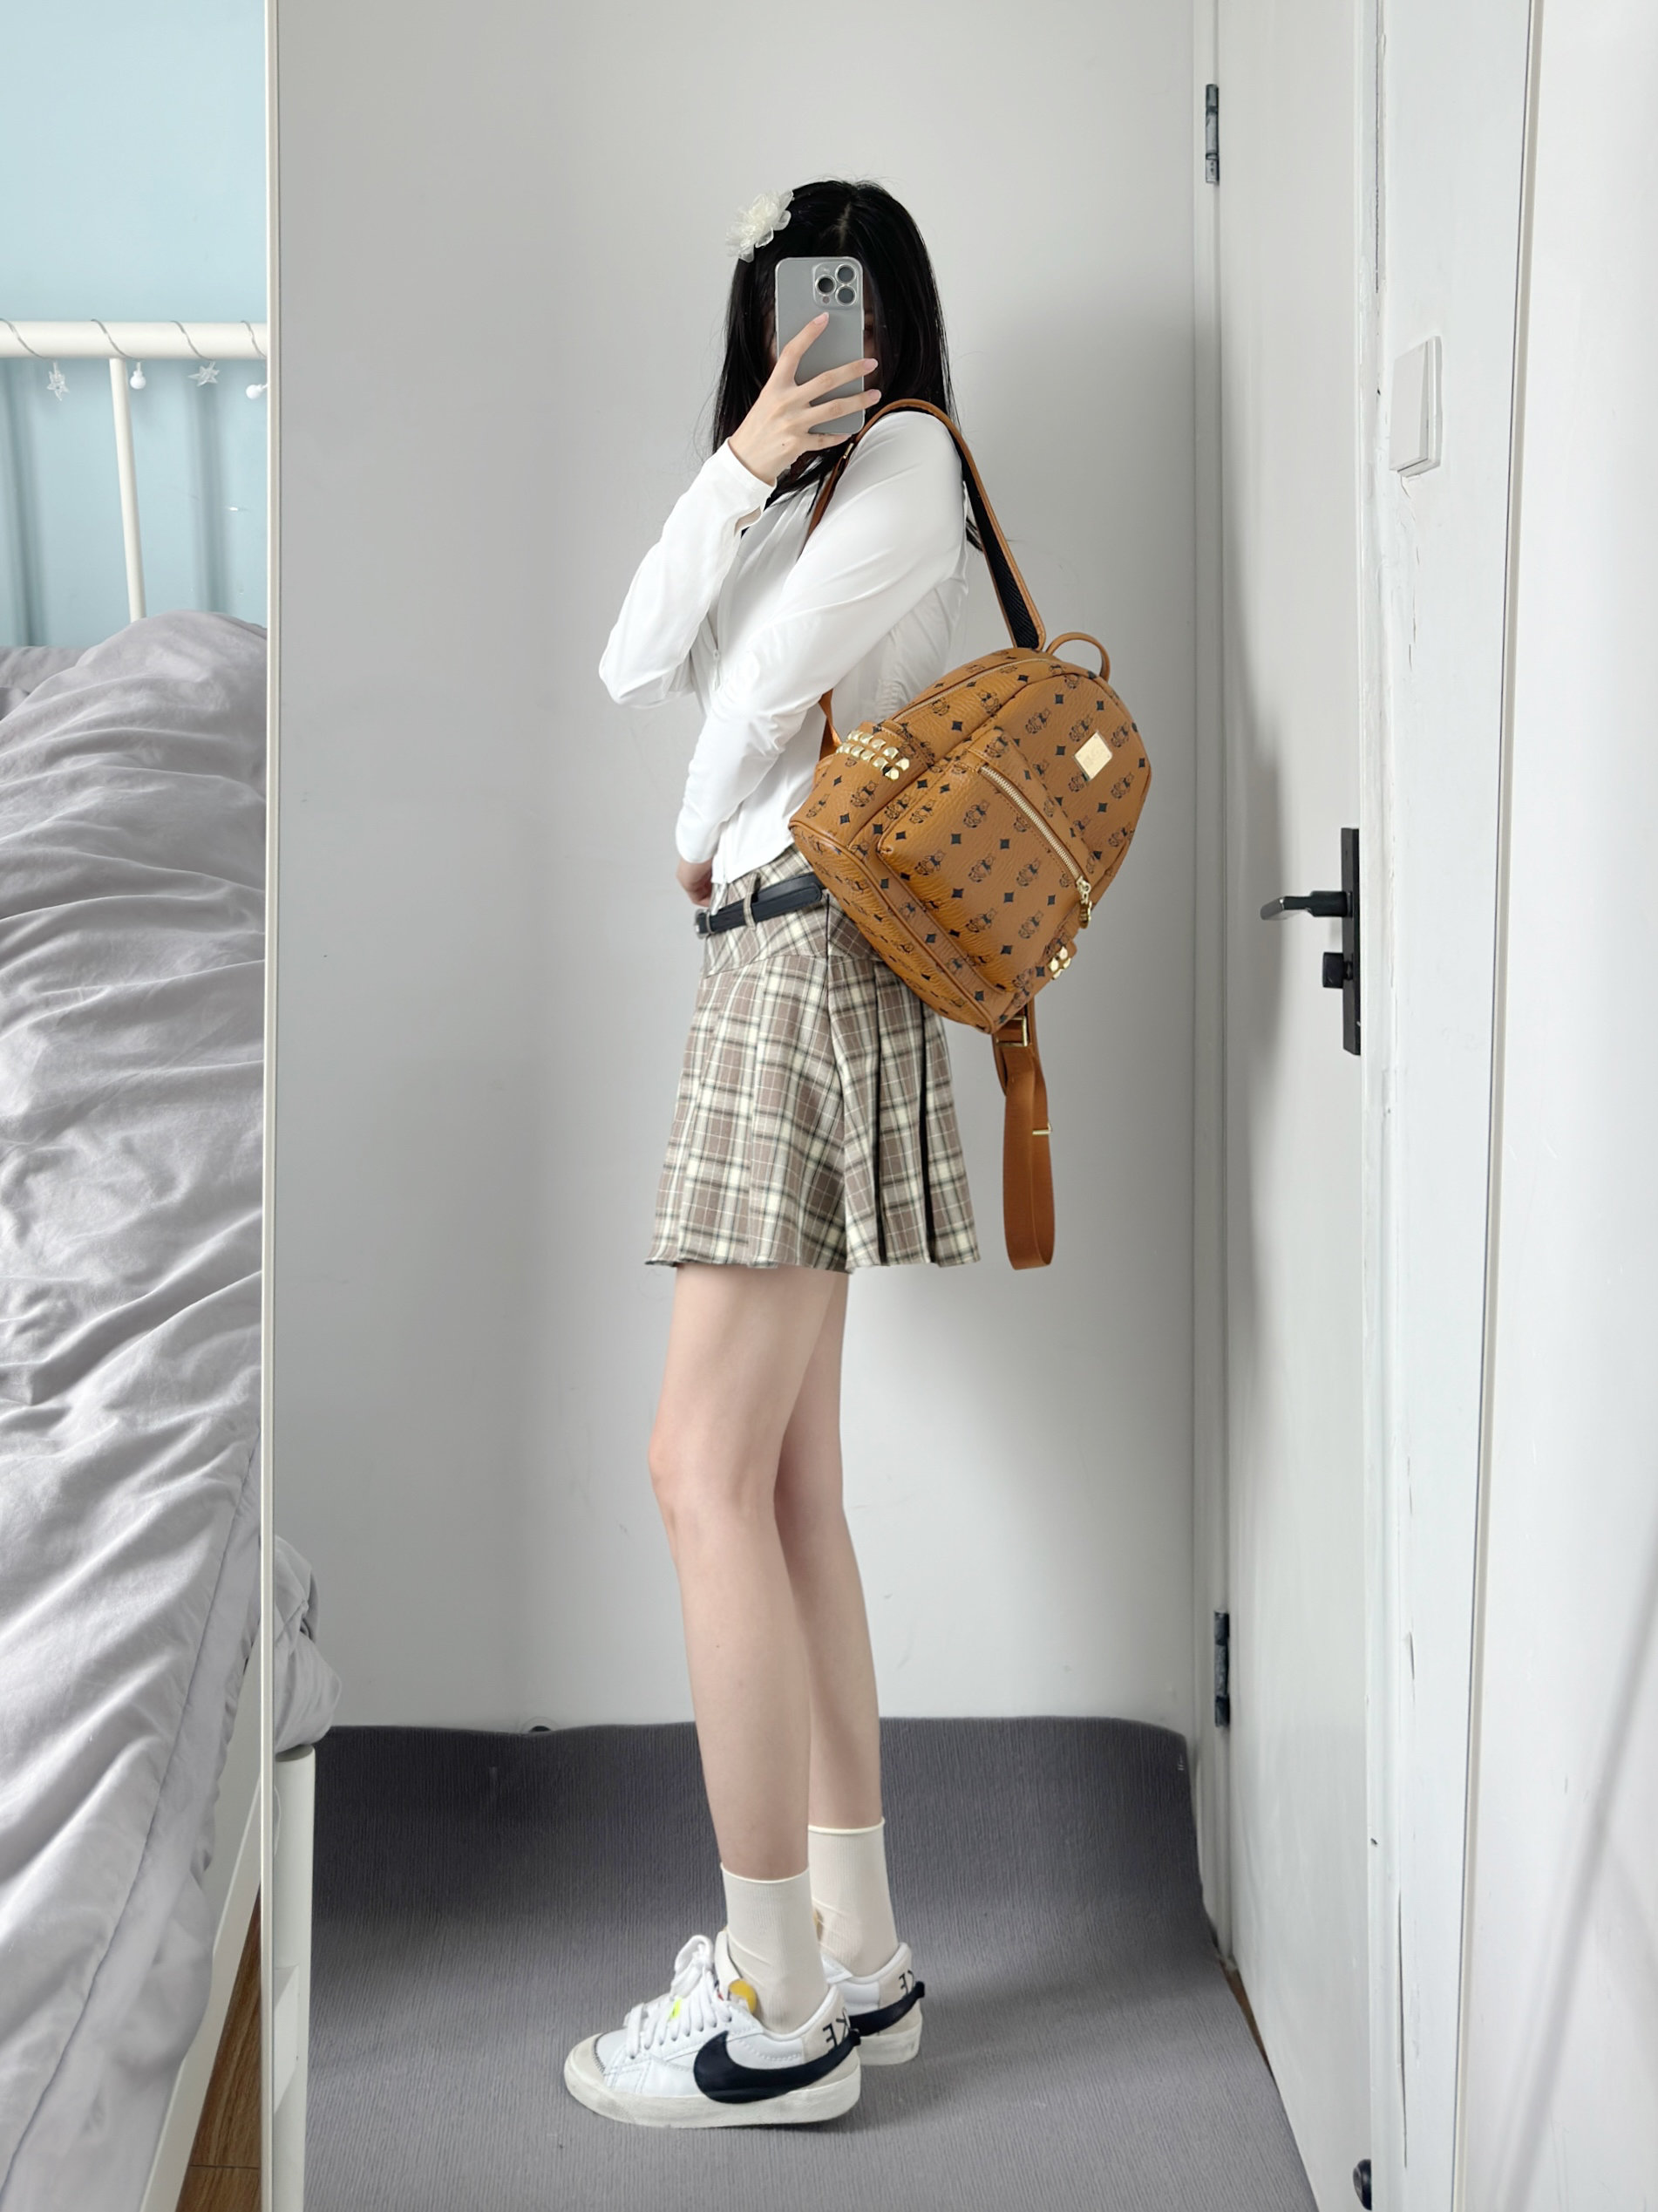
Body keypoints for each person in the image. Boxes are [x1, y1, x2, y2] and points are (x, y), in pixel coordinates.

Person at [564, 179, 979, 2129]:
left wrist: (690, 834)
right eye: (780, 310)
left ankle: (770, 2013)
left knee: (699, 1471)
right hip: (787, 960)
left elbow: (750, 696)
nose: (812, 336)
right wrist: (735, 466)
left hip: (800, 957)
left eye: (840, 302)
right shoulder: (789, 482)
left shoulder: (909, 466)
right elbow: (635, 650)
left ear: (889, 314)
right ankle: (858, 1960)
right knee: (787, 1484)